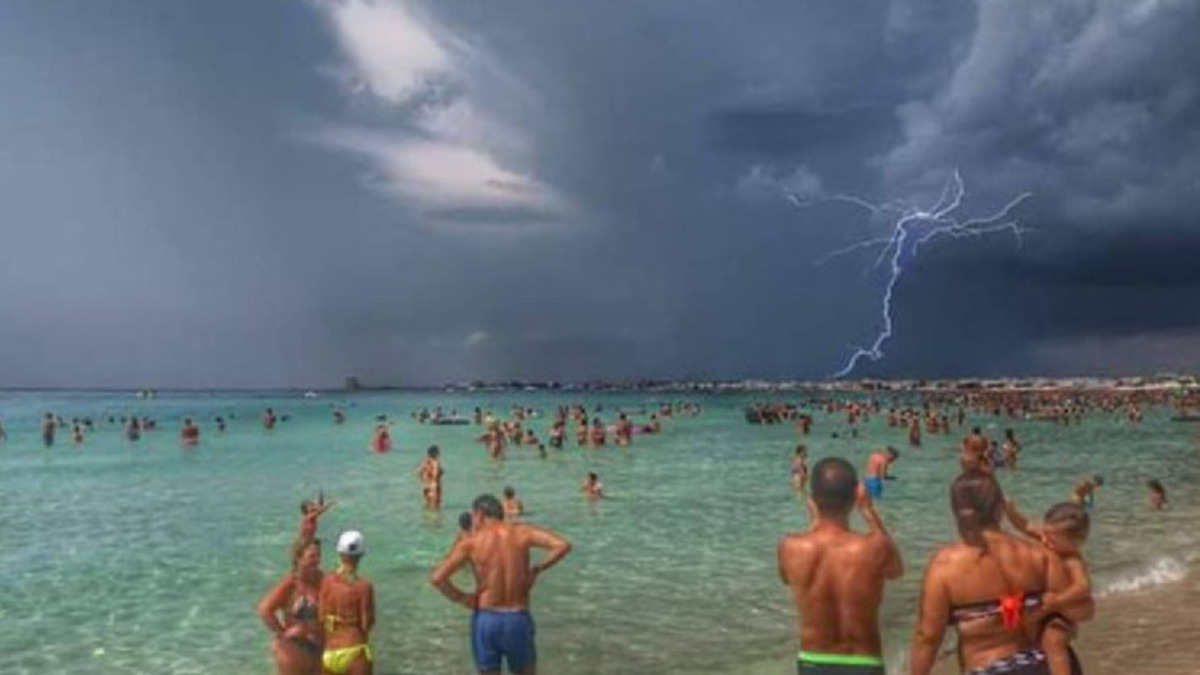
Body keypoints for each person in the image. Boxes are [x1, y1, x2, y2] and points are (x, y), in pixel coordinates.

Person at [909, 471, 1088, 675]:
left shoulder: (944, 566)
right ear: (1000, 509)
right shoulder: (1040, 554)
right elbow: (1081, 610)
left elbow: (928, 637)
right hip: (1050, 664)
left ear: (956, 511)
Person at [778, 457, 902, 674]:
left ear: (813, 499)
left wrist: (815, 522)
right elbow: (896, 570)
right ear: (856, 496)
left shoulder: (790, 548)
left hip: (812, 661)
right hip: (864, 662)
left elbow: (787, 578)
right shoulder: (874, 547)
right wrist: (868, 511)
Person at [430, 494, 572, 675]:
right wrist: (536, 569)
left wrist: (462, 598)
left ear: (479, 514)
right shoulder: (523, 532)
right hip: (517, 617)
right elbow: (563, 545)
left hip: (486, 619)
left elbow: (437, 578)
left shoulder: (472, 542)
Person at [1004, 500, 1094, 675]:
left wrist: (1058, 600)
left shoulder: (1072, 560)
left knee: (1053, 641)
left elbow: (1083, 587)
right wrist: (1011, 513)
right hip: (1044, 607)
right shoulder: (1048, 536)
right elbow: (1026, 525)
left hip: (1061, 614)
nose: (1043, 540)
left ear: (1075, 543)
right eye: (1044, 533)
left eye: (1051, 539)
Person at [258, 538, 325, 675]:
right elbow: (265, 609)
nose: (317, 560)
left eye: (318, 556)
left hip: (319, 648)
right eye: (312, 557)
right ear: (298, 559)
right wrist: (282, 632)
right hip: (295, 648)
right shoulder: (291, 583)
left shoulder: (323, 579)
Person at [319, 531, 375, 675]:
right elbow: (366, 623)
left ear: (340, 553)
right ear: (361, 555)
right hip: (354, 649)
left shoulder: (327, 581)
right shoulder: (364, 585)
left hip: (330, 652)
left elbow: (321, 617)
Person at [292, 496, 336, 566]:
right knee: (302, 556)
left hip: (309, 539)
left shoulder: (310, 516)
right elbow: (320, 511)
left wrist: (317, 505)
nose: (313, 506)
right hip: (305, 540)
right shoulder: (309, 516)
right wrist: (329, 504)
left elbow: (318, 510)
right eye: (310, 505)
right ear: (306, 509)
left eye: (312, 505)